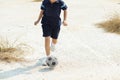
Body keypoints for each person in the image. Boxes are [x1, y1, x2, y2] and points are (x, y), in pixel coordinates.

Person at [34, 0, 68, 65]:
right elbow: (42, 11)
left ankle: (53, 44)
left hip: (56, 24)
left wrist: (65, 20)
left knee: (54, 40)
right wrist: (38, 20)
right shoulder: (45, 2)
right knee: (47, 38)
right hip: (46, 23)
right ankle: (48, 57)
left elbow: (65, 10)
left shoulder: (61, 2)